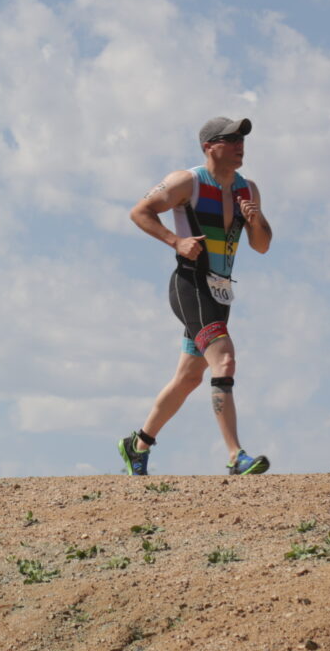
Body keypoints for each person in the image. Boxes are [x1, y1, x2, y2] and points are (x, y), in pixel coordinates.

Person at [119, 116, 273, 477]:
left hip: (221, 291)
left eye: (242, 139)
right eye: (231, 138)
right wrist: (175, 240)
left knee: (189, 378)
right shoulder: (186, 181)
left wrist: (254, 221)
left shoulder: (247, 189)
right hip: (190, 284)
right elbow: (138, 212)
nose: (240, 145)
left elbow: (262, 246)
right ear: (209, 146)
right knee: (225, 361)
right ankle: (236, 455)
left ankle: (137, 445)